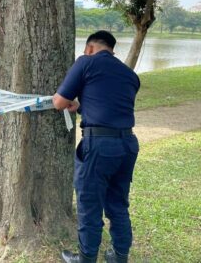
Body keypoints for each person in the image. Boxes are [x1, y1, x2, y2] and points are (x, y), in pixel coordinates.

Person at [53, 30, 140, 263]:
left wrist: (68, 102)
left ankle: (86, 258)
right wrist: (81, 107)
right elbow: (108, 104)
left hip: (99, 146)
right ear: (112, 49)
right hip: (128, 144)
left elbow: (59, 102)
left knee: (89, 204)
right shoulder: (130, 75)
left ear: (90, 48)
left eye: (85, 51)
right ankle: (120, 256)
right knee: (118, 203)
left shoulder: (86, 62)